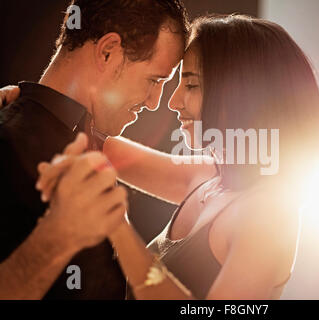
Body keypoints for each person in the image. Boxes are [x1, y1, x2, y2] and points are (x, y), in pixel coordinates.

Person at [33, 15, 319, 299]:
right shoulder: (209, 176)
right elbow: (96, 144)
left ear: (241, 93)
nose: (173, 103)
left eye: (191, 85)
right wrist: (29, 102)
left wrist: (118, 229)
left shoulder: (269, 214)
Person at [0, 0, 189, 299]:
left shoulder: (91, 144)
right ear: (107, 51)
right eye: (154, 80)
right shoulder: (9, 140)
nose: (155, 102)